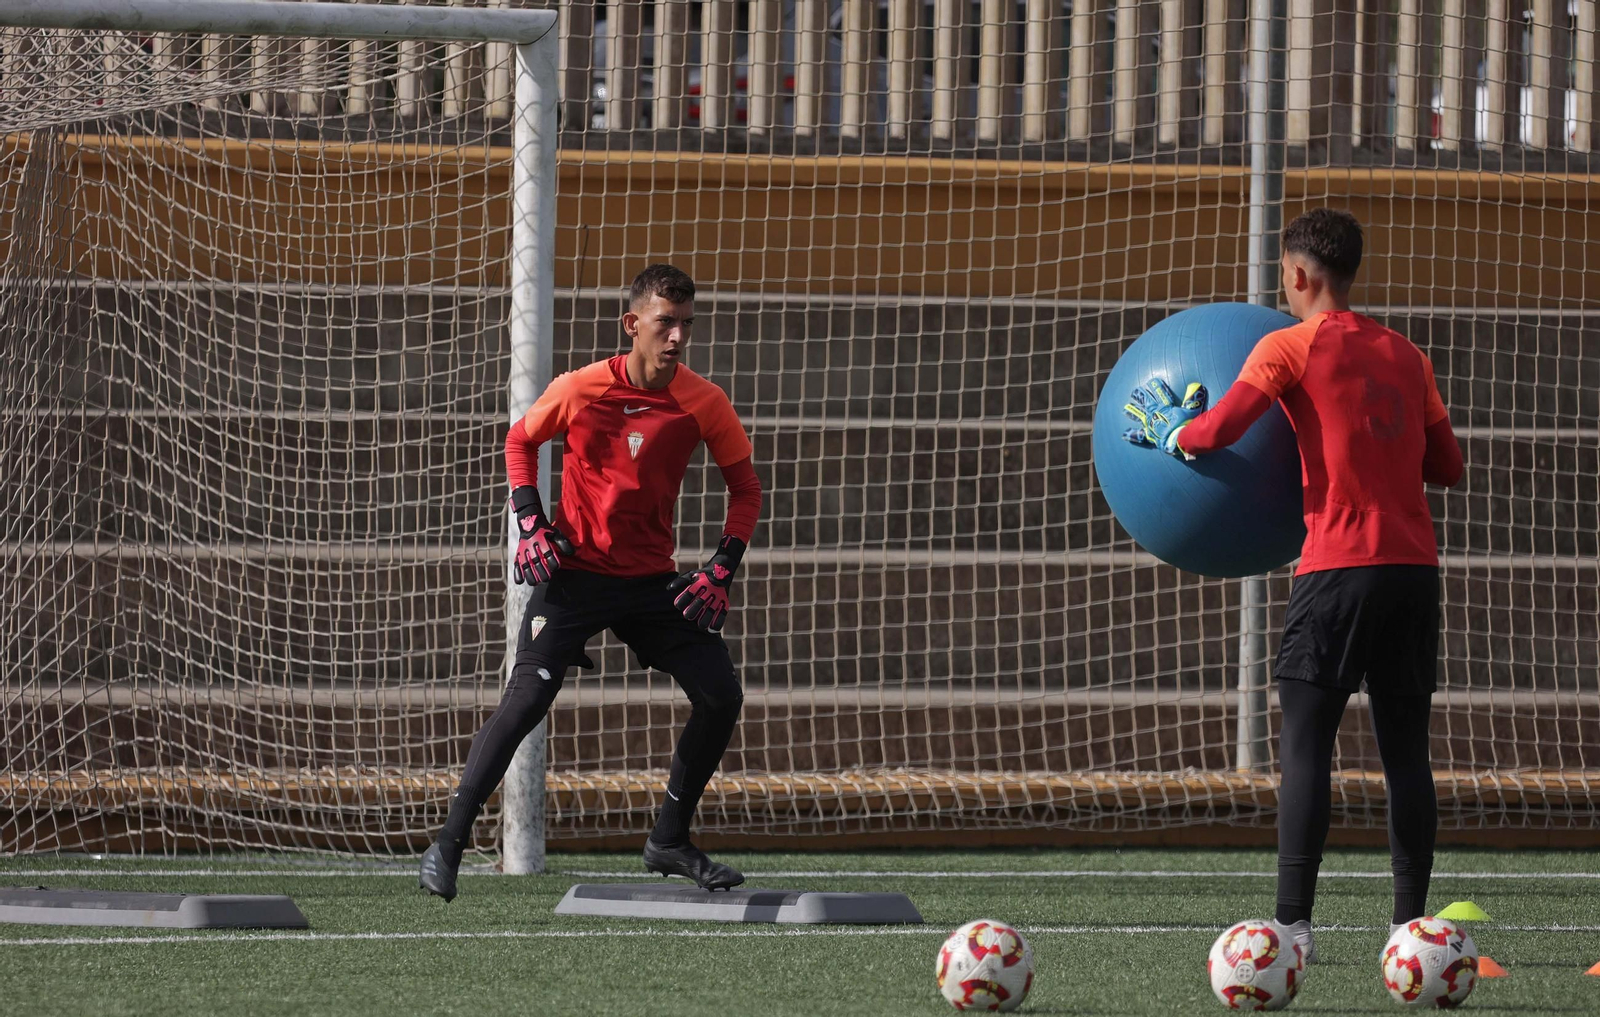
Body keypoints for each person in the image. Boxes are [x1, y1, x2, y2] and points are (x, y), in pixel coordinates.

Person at [1121, 208, 1465, 962]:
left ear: (1300, 276)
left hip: (1336, 567)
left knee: (1307, 741)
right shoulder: (1408, 355)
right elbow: (1448, 467)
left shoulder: (1288, 345)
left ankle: (1292, 926)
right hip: (1413, 569)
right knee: (1406, 751)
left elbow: (1217, 430)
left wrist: (1171, 435)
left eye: (1284, 276)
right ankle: (1410, 929)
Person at [420, 264, 763, 899]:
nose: (678, 338)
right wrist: (531, 523)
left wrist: (721, 569)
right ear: (633, 325)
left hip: (651, 582)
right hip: (574, 574)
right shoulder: (580, 388)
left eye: (687, 325)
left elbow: (745, 491)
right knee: (526, 700)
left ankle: (668, 840)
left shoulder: (704, 402)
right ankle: (448, 845)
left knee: (721, 696)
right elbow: (519, 442)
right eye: (666, 324)